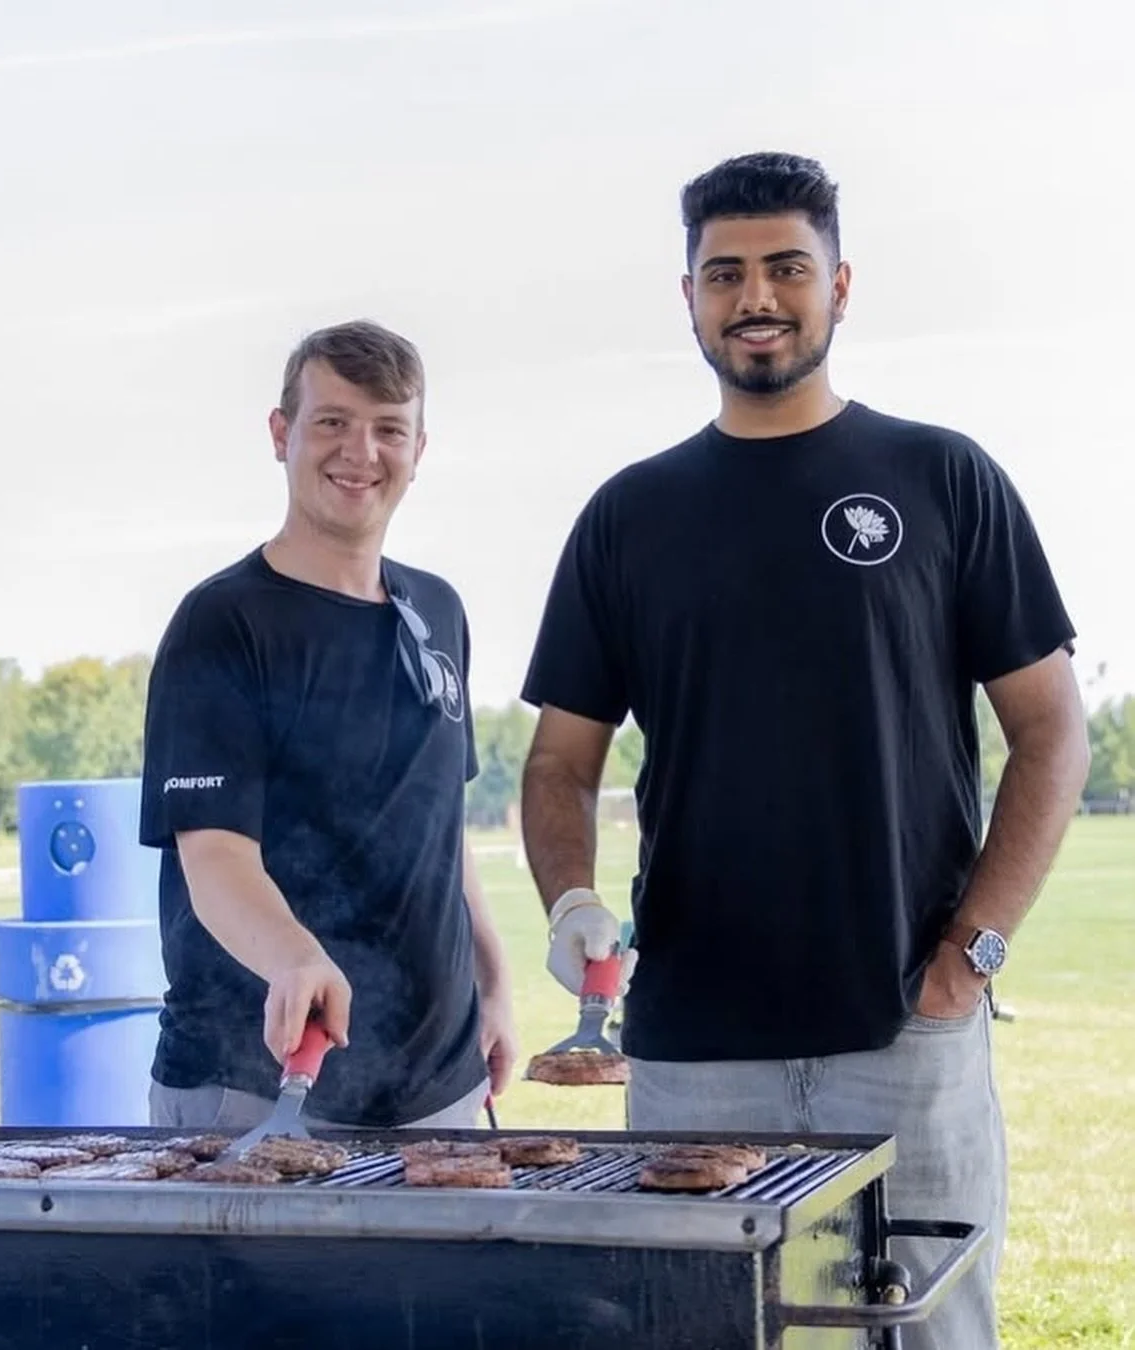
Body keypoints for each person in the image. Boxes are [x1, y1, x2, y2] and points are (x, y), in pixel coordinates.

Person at [519, 153, 1089, 1350]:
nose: (756, 296)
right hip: (690, 1052)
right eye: (725, 273)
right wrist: (570, 897)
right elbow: (561, 761)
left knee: (927, 1335)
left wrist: (970, 957)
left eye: (787, 266)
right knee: (701, 1334)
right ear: (688, 298)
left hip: (906, 1032)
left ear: (841, 283)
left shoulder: (943, 479)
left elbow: (1050, 731)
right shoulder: (629, 515)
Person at [139, 319, 516, 1132]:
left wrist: (493, 986)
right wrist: (295, 957)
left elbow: (440, 829)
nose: (361, 452)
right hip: (256, 1088)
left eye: (389, 429)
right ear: (281, 434)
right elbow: (214, 859)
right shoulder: (223, 622)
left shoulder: (437, 609)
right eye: (332, 422)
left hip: (437, 1090)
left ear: (420, 449)